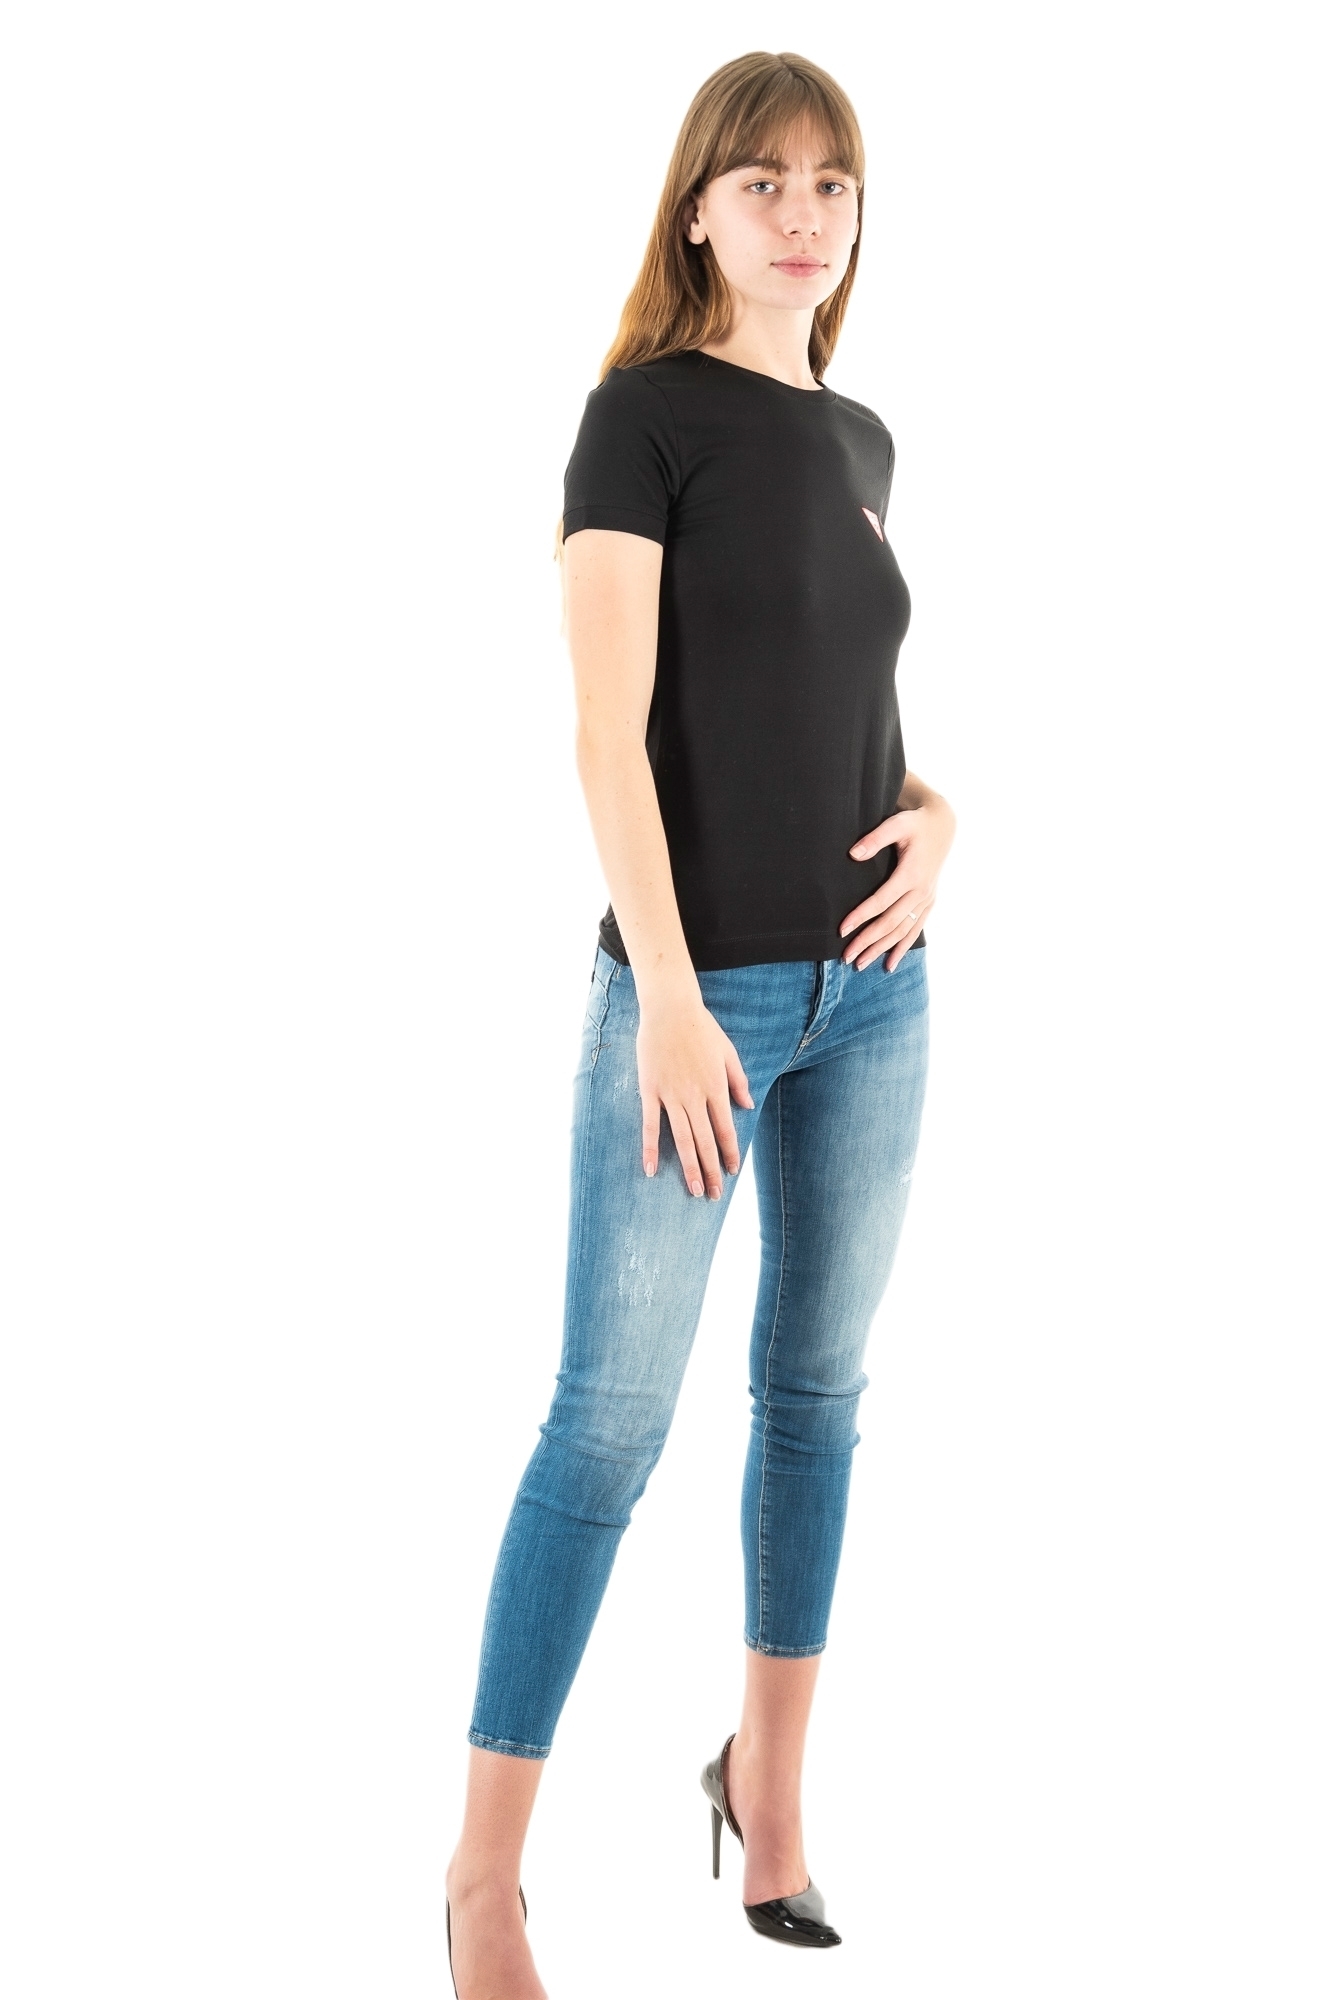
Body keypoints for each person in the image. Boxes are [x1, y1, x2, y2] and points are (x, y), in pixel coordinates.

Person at [445, 49, 956, 1997]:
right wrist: (665, 993)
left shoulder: (863, 438)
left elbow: (842, 699)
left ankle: (771, 1795)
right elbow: (607, 732)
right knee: (605, 1424)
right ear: (698, 210)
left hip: (875, 998)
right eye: (764, 181)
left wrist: (941, 816)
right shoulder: (639, 420)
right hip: (698, 992)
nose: (801, 213)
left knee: (817, 1398)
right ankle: (483, 1878)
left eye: (830, 182)